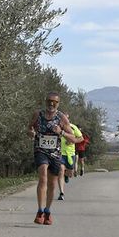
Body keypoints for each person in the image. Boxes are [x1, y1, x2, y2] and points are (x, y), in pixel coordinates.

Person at [28, 93, 70, 224]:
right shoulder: (38, 114)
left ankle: (47, 211)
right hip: (40, 151)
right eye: (49, 101)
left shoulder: (61, 118)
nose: (51, 104)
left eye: (54, 102)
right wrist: (31, 132)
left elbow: (72, 136)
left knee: (52, 184)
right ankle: (39, 210)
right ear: (45, 101)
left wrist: (61, 132)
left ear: (58, 103)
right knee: (43, 177)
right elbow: (29, 127)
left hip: (55, 154)